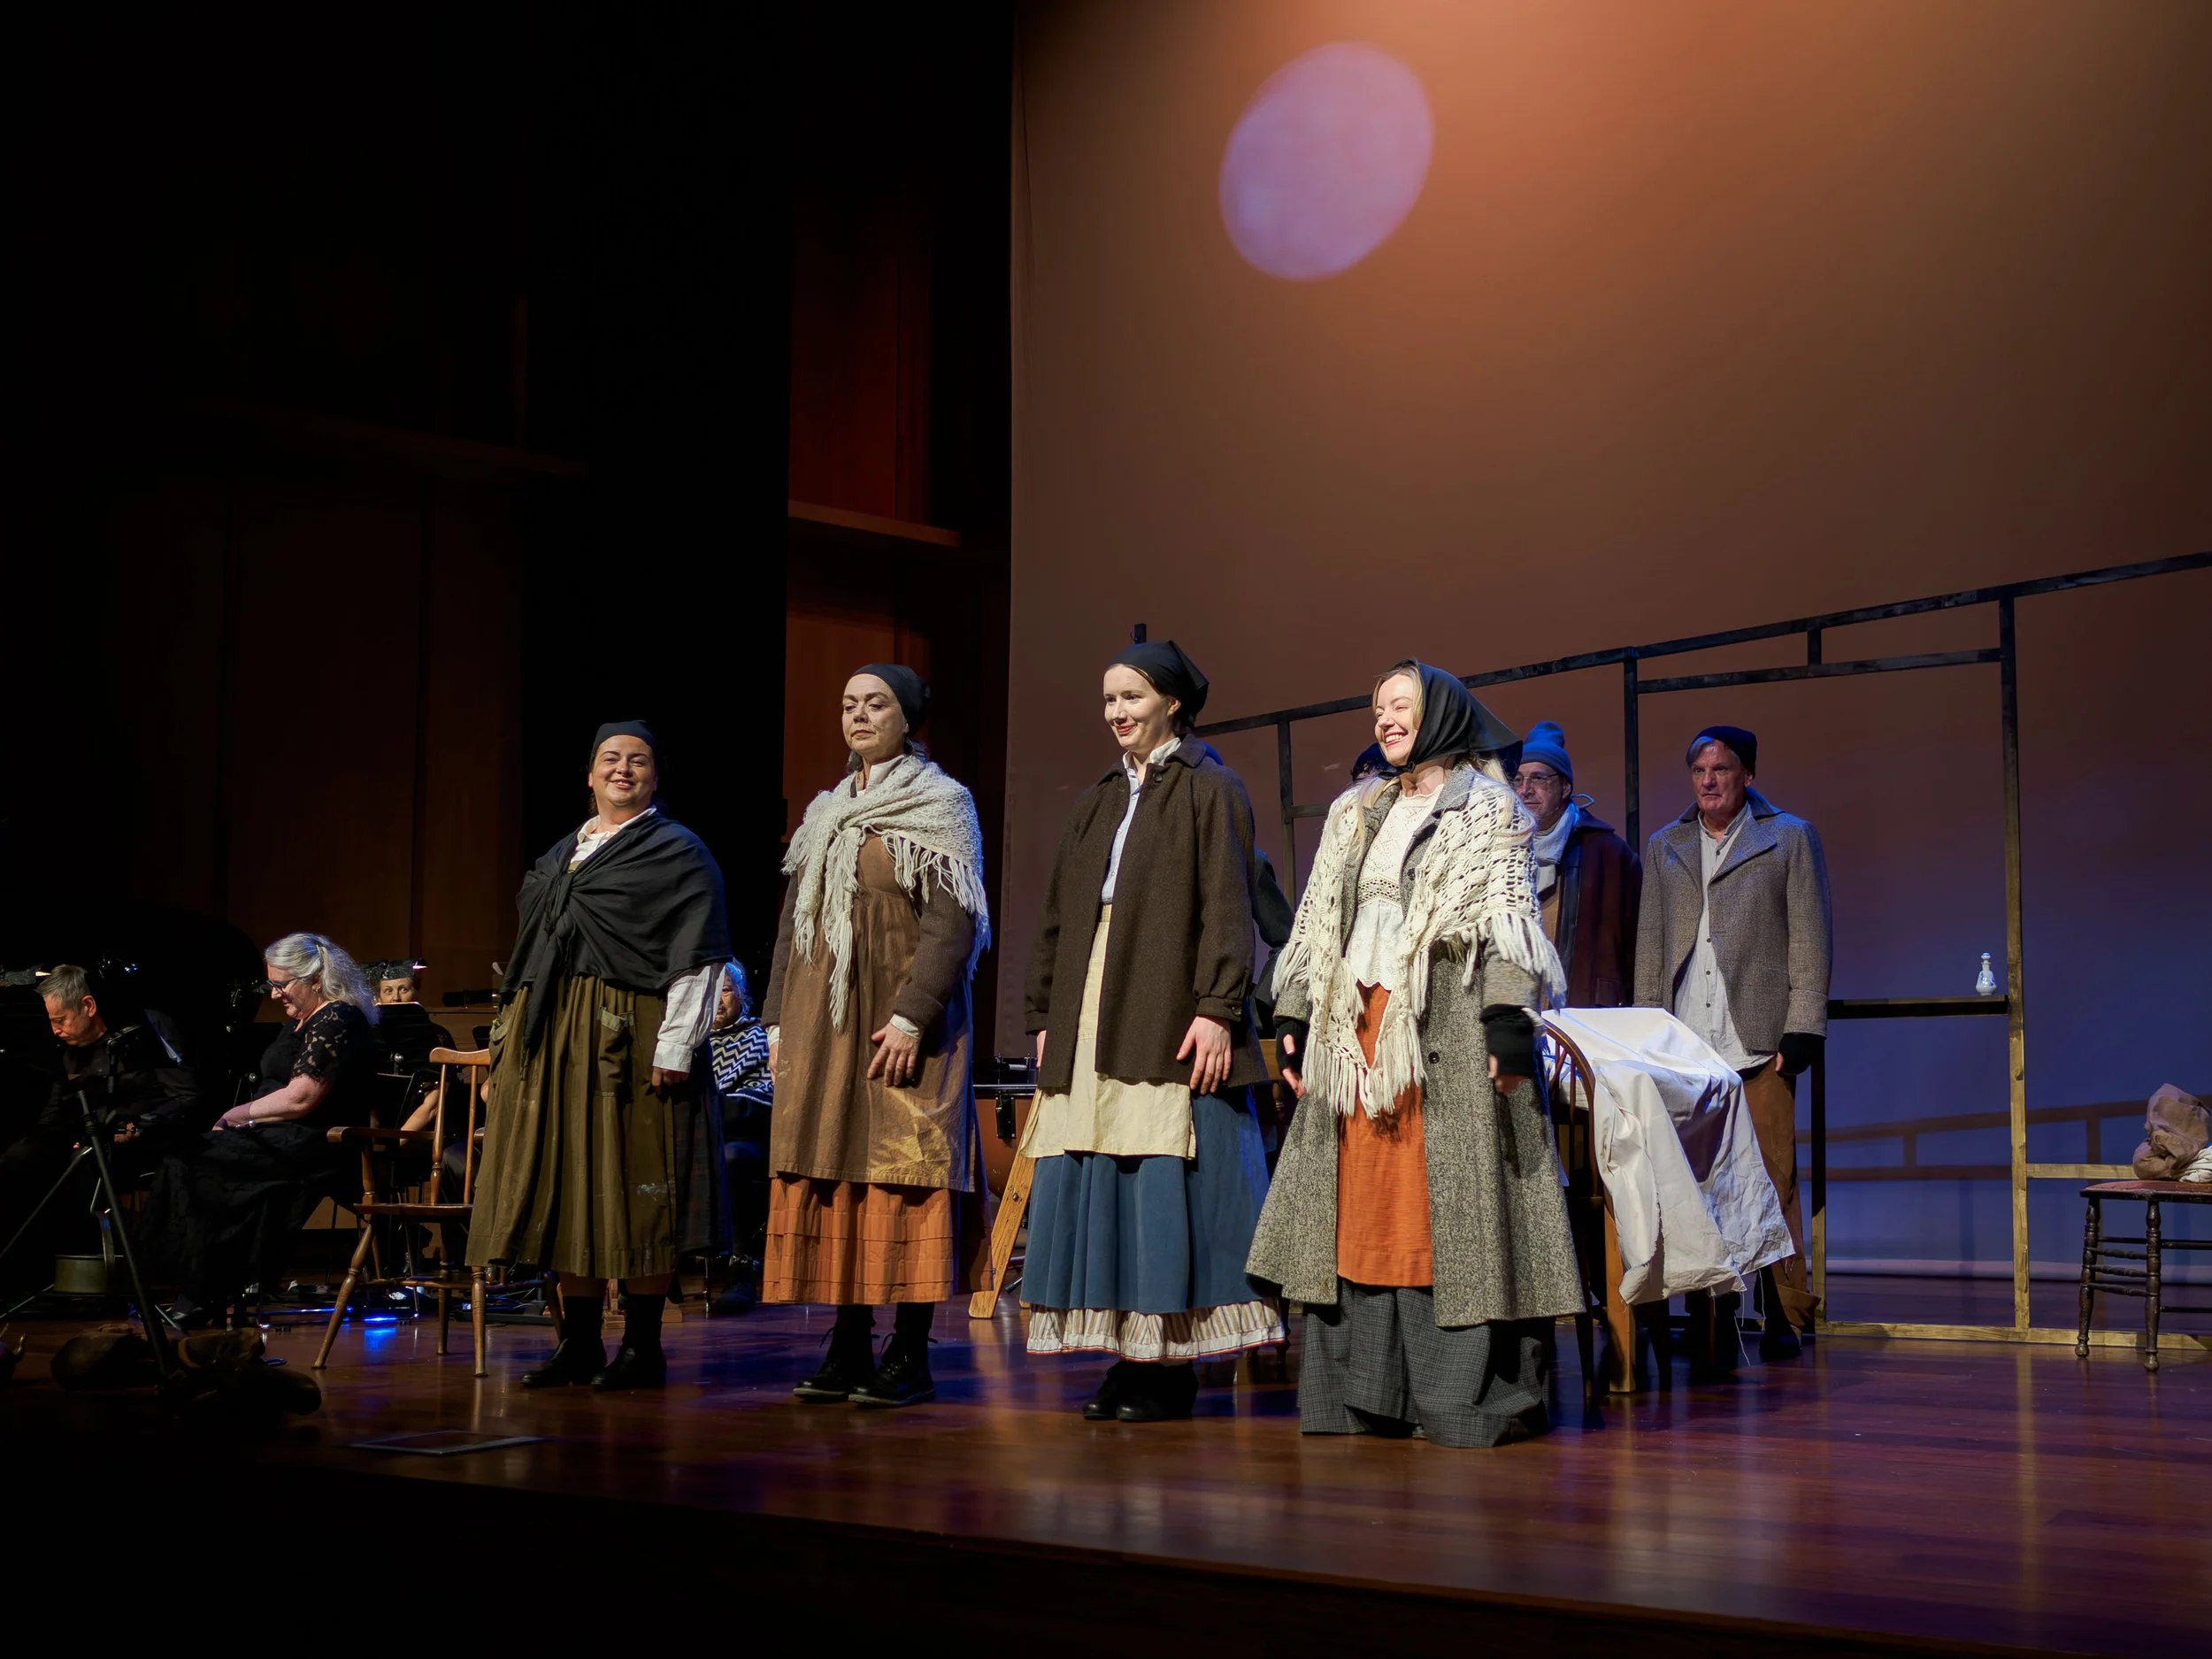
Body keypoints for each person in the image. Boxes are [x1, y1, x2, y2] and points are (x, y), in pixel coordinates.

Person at [1249, 662, 1582, 1448]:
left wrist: (1507, 1025)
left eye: (1400, 706)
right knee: (1361, 1212)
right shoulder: (1355, 810)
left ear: (1440, 715)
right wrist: (1293, 1013)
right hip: (1356, 1040)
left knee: (1439, 1216)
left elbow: (1505, 923)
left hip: (1447, 1039)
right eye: (1377, 709)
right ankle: (1366, 1393)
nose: (1384, 719)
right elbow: (1317, 922)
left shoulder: (1489, 809)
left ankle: (1455, 1395)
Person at [1020, 639, 1280, 1424]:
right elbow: (1060, 918)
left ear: (1171, 702)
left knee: (1154, 1172)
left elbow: (1229, 907)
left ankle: (1167, 1364)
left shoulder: (1212, 788)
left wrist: (1216, 1007)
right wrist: (1043, 1016)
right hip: (1091, 998)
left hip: (1165, 998)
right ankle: (1124, 1357)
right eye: (1107, 700)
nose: (1116, 713)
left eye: (1130, 697)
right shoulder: (1098, 798)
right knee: (1099, 1171)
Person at [469, 721, 732, 1391]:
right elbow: (529, 956)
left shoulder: (678, 852)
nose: (623, 769)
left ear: (655, 777)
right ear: (588, 775)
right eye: (609, 759)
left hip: (631, 1034)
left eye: (637, 760)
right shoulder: (563, 855)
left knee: (640, 1186)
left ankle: (643, 1346)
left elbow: (698, 952)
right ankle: (578, 1342)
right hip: (552, 1038)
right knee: (568, 1183)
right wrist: (507, 1052)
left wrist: (675, 1043)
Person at [763, 665, 990, 1407]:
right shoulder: (825, 811)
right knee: (837, 1174)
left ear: (908, 718)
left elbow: (952, 924)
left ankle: (910, 1351)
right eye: (848, 703)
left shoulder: (941, 803)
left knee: (904, 1172)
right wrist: (773, 1020)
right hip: (821, 1024)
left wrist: (910, 1014)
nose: (859, 715)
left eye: (877, 704)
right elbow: (791, 928)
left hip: (901, 1024)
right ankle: (850, 1343)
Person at [1634, 724, 1832, 1364]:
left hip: (1758, 1039)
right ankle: (1709, 1314)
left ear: (1747, 773)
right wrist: (1645, 1032)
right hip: (1686, 1043)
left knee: (1772, 1180)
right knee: (1692, 1182)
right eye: (1699, 770)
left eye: (1721, 768)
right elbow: (1650, 952)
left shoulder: (1788, 837)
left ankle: (1783, 1314)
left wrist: (1802, 1027)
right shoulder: (1668, 845)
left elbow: (1809, 936)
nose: (1710, 780)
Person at [141, 934, 380, 1327]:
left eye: (282, 985)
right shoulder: (301, 1021)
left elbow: (302, 1098)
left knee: (198, 1162)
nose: (274, 995)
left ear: (315, 978)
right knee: (188, 1156)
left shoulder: (338, 1017)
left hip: (314, 1140)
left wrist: (237, 1114)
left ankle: (205, 1293)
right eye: (272, 985)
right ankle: (202, 1290)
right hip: (279, 1134)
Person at [0, 965, 204, 1293]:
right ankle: (27, 1274)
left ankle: (90, 1274)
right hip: (86, 1136)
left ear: (89, 1006)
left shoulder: (146, 1030)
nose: (55, 1031)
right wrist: (42, 1139)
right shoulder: (66, 1049)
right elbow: (55, 1110)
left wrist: (140, 1125)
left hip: (141, 1139)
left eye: (60, 1021)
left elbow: (186, 1098)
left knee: (86, 1166)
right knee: (19, 1159)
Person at [1513, 722, 1640, 1008]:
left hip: (1584, 1014)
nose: (1526, 790)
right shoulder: (1502, 849)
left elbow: (1636, 947)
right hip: (1517, 1012)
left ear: (1566, 787)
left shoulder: (1607, 853)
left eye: (1538, 779)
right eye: (1518, 780)